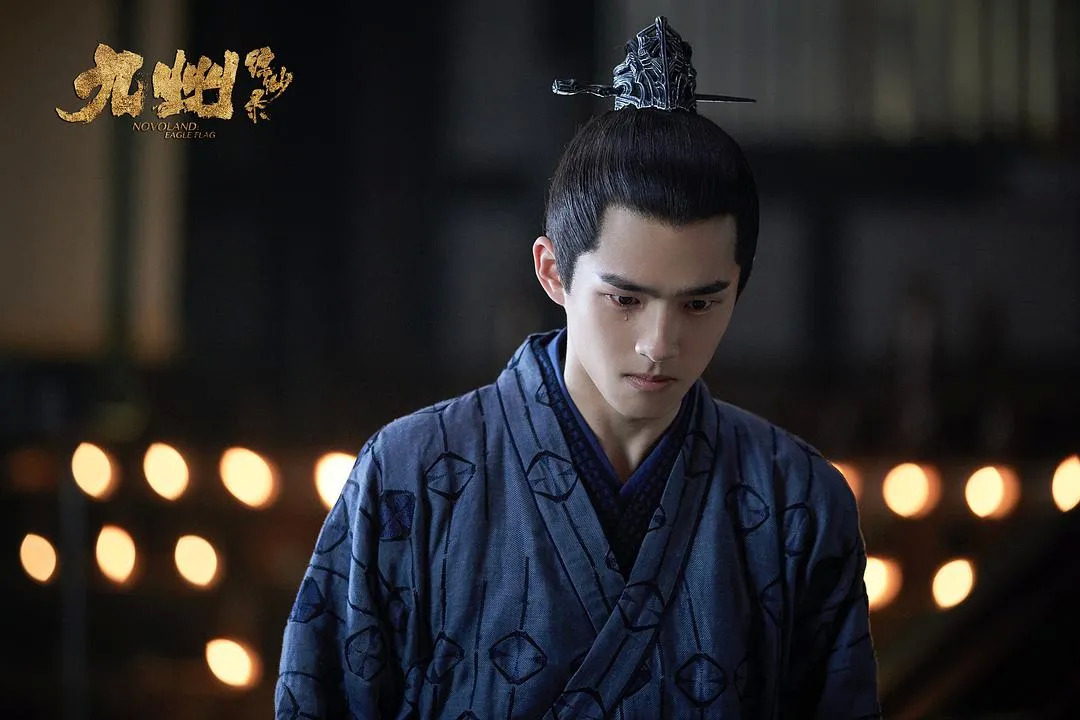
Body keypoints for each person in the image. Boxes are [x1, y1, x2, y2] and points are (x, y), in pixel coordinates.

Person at [276, 16, 880, 719]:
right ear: (553, 272)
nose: (659, 343)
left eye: (700, 303)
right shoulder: (409, 475)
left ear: (739, 286)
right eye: (625, 299)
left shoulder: (797, 500)